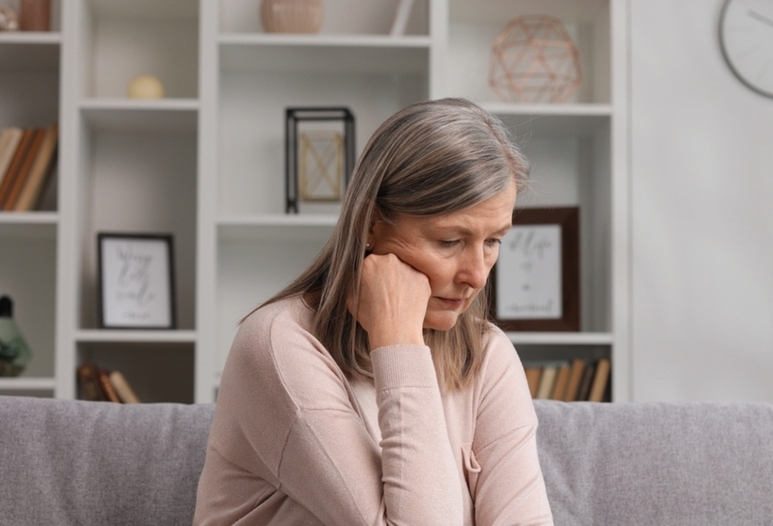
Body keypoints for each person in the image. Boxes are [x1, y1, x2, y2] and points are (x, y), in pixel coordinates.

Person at [193, 98, 554, 525]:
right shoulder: (277, 346)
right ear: (370, 222)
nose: (476, 275)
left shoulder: (487, 355)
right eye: (449, 241)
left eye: (493, 241)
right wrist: (399, 340)